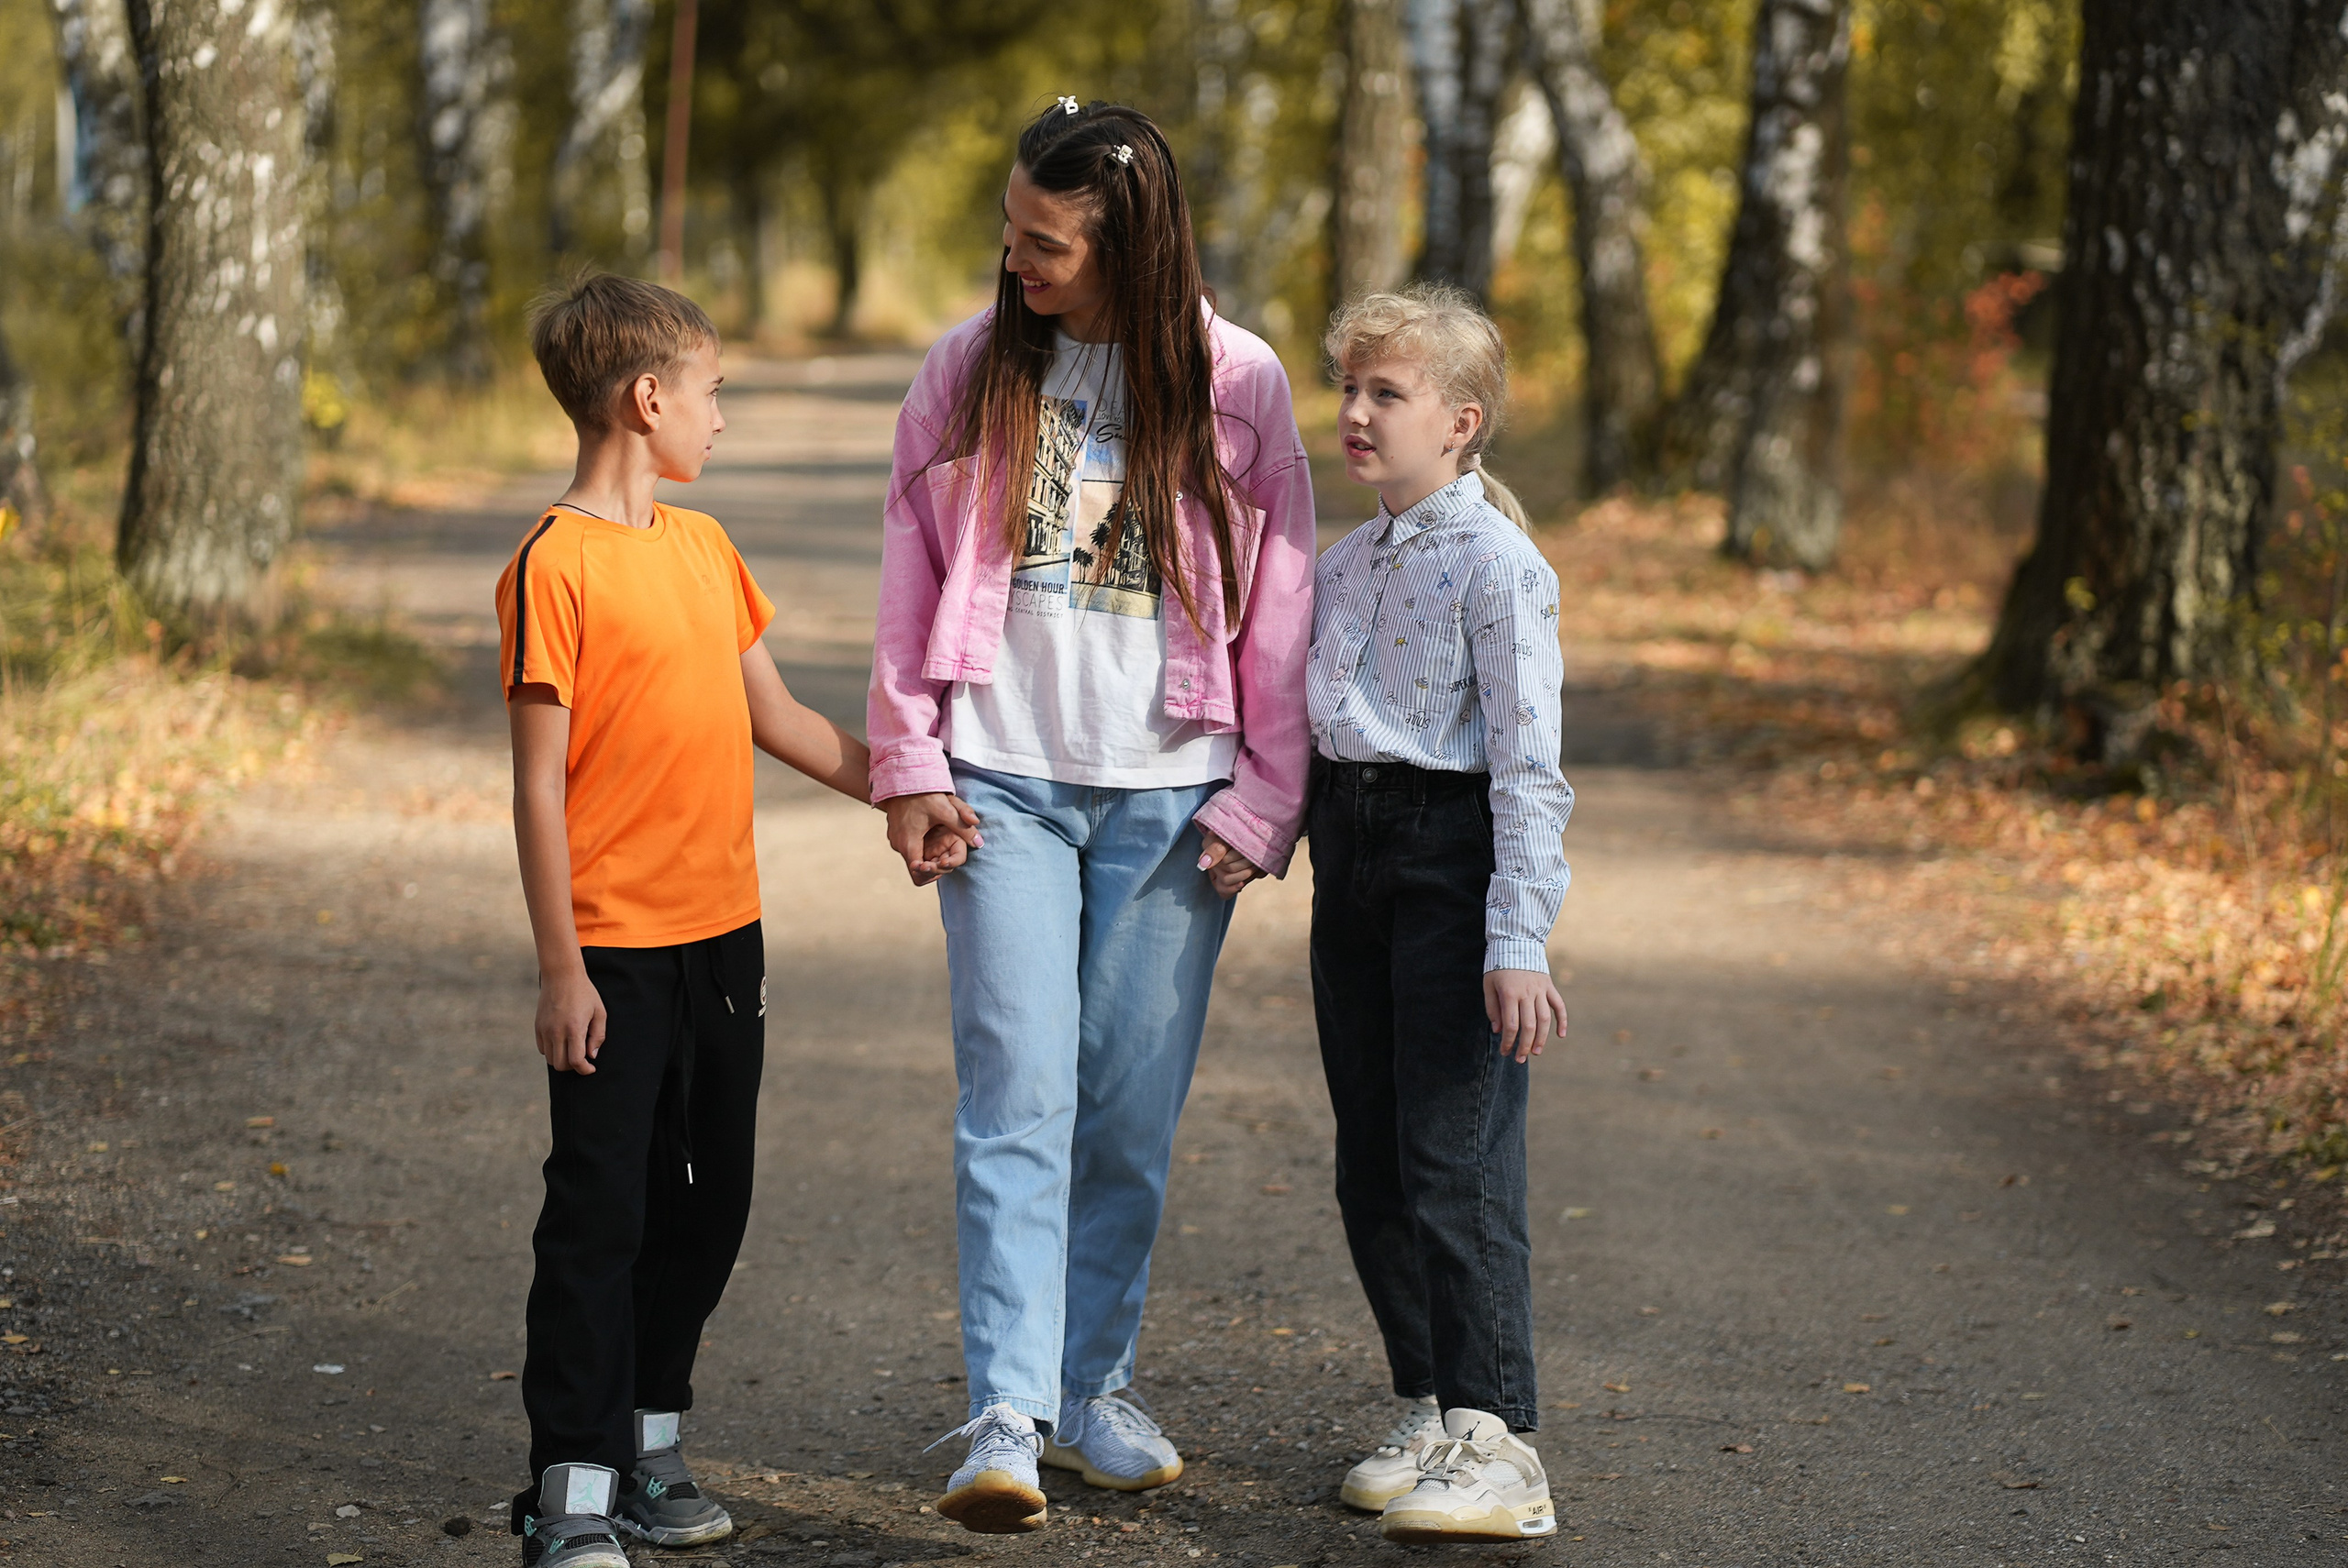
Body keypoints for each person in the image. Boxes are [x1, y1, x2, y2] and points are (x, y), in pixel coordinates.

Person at [867, 97, 1315, 1534]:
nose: (1018, 259)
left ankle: (1089, 1382)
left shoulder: (1237, 380)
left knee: (1126, 1113)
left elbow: (1284, 600)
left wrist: (1268, 791)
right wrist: (909, 759)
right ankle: (1004, 1410)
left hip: (1174, 799)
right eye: (1010, 231)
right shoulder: (971, 364)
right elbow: (905, 563)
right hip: (1000, 777)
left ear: (1126, 237)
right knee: (1018, 1099)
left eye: (1046, 240)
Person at [496, 273, 971, 1568]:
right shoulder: (554, 565)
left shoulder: (706, 552)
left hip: (725, 938)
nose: (726, 419)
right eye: (715, 394)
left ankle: (651, 1430)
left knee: (712, 1199)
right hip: (612, 950)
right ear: (647, 401)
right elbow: (539, 782)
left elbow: (782, 720)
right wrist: (561, 966)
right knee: (602, 1210)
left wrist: (908, 785)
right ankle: (573, 1483)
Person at [1306, 285, 1575, 1543]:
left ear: (1461, 422)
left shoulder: (1500, 566)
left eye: (1386, 393)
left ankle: (1498, 1430)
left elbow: (1528, 763)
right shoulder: (1344, 562)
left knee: (1456, 1157)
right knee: (1373, 1150)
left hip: (1452, 860)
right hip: (1351, 853)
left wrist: (1516, 939)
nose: (1355, 413)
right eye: (1349, 389)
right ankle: (1425, 1398)